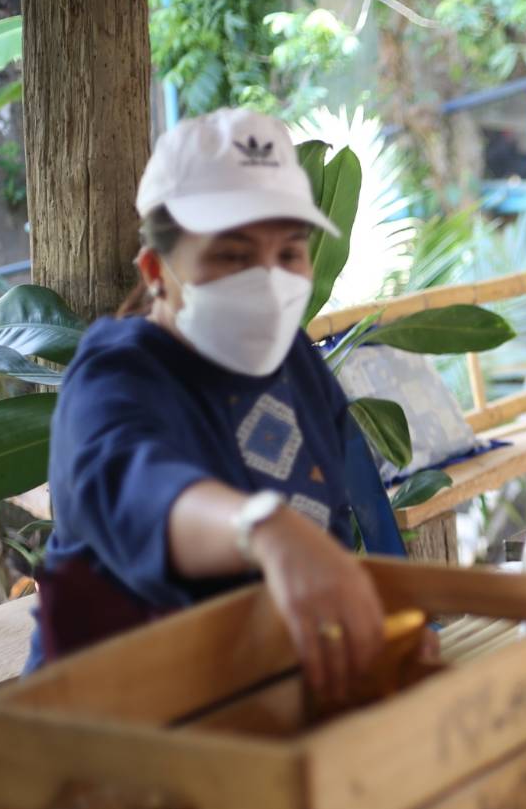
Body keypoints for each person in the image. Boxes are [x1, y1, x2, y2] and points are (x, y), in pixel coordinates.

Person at [33, 108, 387, 705]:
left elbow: (326, 527)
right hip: (109, 733)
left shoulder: (296, 366)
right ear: (156, 271)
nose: (269, 281)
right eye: (232, 255)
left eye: (289, 254)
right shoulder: (115, 378)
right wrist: (262, 527)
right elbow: (140, 490)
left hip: (256, 703)